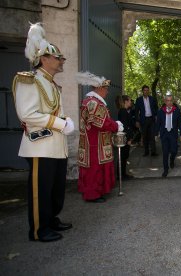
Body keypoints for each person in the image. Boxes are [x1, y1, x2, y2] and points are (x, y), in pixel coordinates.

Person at [13, 23, 74, 242]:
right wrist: (60, 123)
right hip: (40, 145)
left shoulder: (52, 84)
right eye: (58, 57)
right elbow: (27, 114)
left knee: (55, 188)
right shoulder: (28, 80)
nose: (61, 61)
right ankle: (39, 229)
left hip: (56, 146)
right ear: (44, 58)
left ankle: (51, 219)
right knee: (41, 190)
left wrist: (65, 122)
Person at [76, 71, 124, 203]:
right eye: (106, 89)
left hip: (95, 142)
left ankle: (98, 191)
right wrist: (116, 126)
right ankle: (92, 194)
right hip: (94, 144)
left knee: (96, 169)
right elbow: (100, 122)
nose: (107, 92)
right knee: (94, 170)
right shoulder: (93, 102)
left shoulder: (92, 101)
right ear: (99, 88)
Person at [156, 94, 181, 177]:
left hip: (173, 133)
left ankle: (172, 160)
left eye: (170, 100)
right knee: (165, 152)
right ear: (165, 101)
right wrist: (156, 134)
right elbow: (158, 123)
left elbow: (180, 123)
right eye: (167, 100)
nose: (169, 102)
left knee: (174, 151)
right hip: (164, 134)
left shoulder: (176, 111)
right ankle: (165, 169)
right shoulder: (161, 111)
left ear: (173, 101)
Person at [135, 85, 158, 156]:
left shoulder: (152, 99)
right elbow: (136, 111)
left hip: (151, 119)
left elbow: (156, 108)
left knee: (152, 136)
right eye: (145, 90)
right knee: (145, 136)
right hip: (143, 120)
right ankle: (146, 151)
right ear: (142, 91)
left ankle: (153, 151)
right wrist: (137, 121)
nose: (146, 91)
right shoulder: (139, 100)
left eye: (147, 90)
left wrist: (156, 116)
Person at [116, 95, 135, 180]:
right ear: (126, 101)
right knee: (123, 156)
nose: (130, 102)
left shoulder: (124, 111)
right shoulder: (123, 111)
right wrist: (128, 139)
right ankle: (121, 175)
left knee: (124, 156)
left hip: (126, 137)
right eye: (129, 100)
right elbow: (125, 126)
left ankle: (122, 174)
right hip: (125, 137)